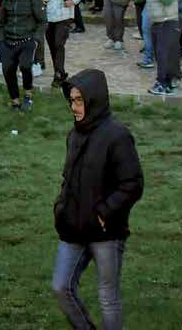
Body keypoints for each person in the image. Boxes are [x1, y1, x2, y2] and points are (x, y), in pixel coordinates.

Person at [53, 70, 141, 330]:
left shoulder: (117, 136)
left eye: (79, 101)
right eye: (71, 101)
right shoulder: (74, 134)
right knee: (60, 286)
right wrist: (60, 207)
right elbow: (68, 177)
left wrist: (103, 213)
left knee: (107, 298)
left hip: (106, 232)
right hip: (73, 227)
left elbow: (133, 184)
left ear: (94, 100)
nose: (74, 107)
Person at [0, 0, 46, 110]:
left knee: (25, 66)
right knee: (8, 70)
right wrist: (1, 39)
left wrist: (36, 39)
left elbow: (42, 21)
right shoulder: (6, 0)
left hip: (27, 40)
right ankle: (15, 100)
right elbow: (1, 23)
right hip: (8, 42)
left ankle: (28, 94)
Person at [37, 0, 85, 89]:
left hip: (64, 14)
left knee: (59, 43)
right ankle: (60, 71)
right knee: (52, 45)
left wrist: (73, 0)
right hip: (48, 14)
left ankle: (58, 74)